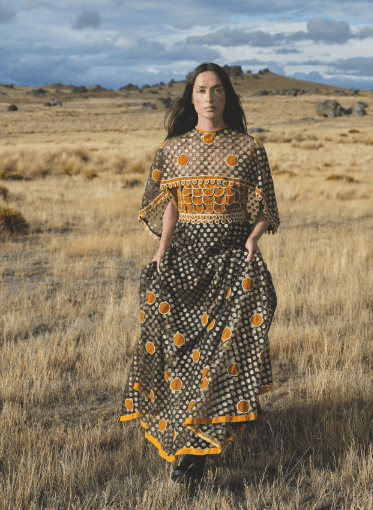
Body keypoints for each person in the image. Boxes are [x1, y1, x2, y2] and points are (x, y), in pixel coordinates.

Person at [120, 63, 280, 483]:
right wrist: (162, 249)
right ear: (191, 99)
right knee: (177, 348)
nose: (209, 98)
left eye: (217, 90)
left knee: (222, 349)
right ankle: (185, 438)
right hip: (185, 254)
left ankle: (197, 451)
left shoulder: (248, 149)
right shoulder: (173, 149)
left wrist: (253, 239)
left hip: (229, 256)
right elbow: (168, 204)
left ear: (227, 96)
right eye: (201, 91)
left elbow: (265, 209)